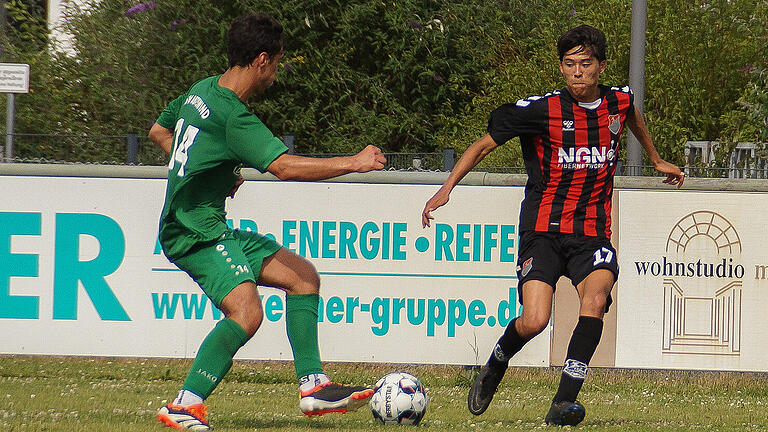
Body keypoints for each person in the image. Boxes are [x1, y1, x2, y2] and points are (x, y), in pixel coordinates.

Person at [421, 24, 684, 426]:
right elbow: (483, 144)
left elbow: (632, 117)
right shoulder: (541, 111)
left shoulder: (619, 101)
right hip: (542, 231)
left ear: (601, 66)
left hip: (591, 232)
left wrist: (656, 158)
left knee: (594, 303)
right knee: (535, 320)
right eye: (569, 64)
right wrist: (447, 188)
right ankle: (497, 361)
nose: (577, 72)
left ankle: (563, 401)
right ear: (561, 68)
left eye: (585, 64)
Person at [148, 13, 387, 431]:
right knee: (246, 313)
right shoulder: (232, 116)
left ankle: (313, 388)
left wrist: (212, 174)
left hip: (208, 223)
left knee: (303, 278)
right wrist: (355, 162)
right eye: (276, 62)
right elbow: (284, 167)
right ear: (261, 60)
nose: (276, 72)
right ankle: (183, 405)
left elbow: (158, 132)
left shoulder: (201, 90)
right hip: (193, 230)